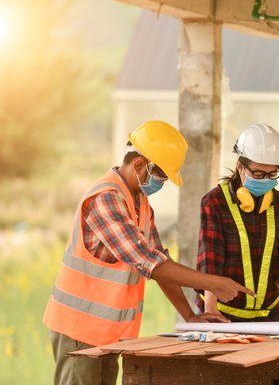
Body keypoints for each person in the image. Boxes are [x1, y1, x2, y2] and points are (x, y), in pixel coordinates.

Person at [43, 120, 254, 385]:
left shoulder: (141, 204)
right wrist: (214, 283)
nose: (162, 182)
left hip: (107, 334)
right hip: (79, 329)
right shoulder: (106, 199)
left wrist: (189, 315)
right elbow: (151, 265)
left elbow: (159, 260)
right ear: (141, 165)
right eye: (162, 174)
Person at [196, 123, 279, 322]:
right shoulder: (215, 202)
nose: (265, 180)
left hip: (268, 317)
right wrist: (210, 309)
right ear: (240, 167)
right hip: (222, 316)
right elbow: (210, 259)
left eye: (272, 174)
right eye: (258, 174)